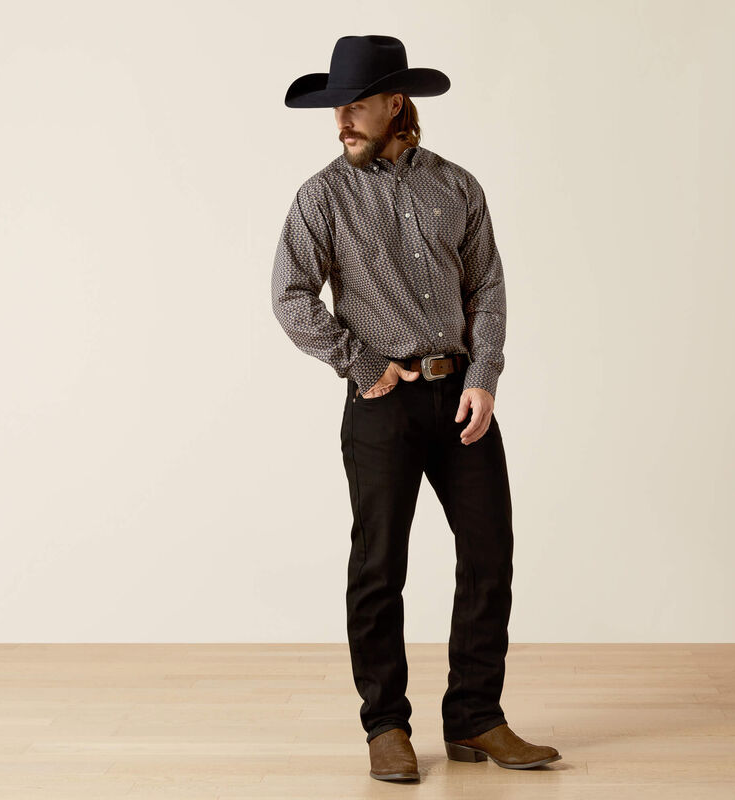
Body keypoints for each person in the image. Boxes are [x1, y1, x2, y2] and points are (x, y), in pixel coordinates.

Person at [272, 35, 561, 782]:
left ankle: (475, 718)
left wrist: (485, 374)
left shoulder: (457, 186)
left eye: (357, 104)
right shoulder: (322, 197)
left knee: (489, 555)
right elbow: (291, 296)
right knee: (379, 566)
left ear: (396, 103)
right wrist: (362, 365)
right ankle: (386, 727)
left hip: (462, 396)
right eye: (337, 106)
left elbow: (487, 286)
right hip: (382, 404)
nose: (343, 119)